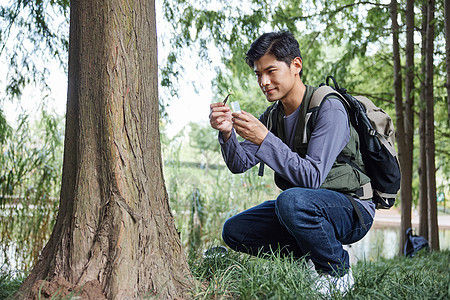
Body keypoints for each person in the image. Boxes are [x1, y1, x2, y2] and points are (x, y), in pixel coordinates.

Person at [209, 31, 375, 295]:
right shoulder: (274, 116)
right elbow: (239, 163)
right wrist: (227, 133)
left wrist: (264, 138)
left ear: (296, 65)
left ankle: (337, 271)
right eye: (258, 74)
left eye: (271, 71)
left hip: (352, 208)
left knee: (292, 200)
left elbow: (312, 178)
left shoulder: (328, 107)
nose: (263, 81)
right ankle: (310, 260)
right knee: (235, 230)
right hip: (305, 205)